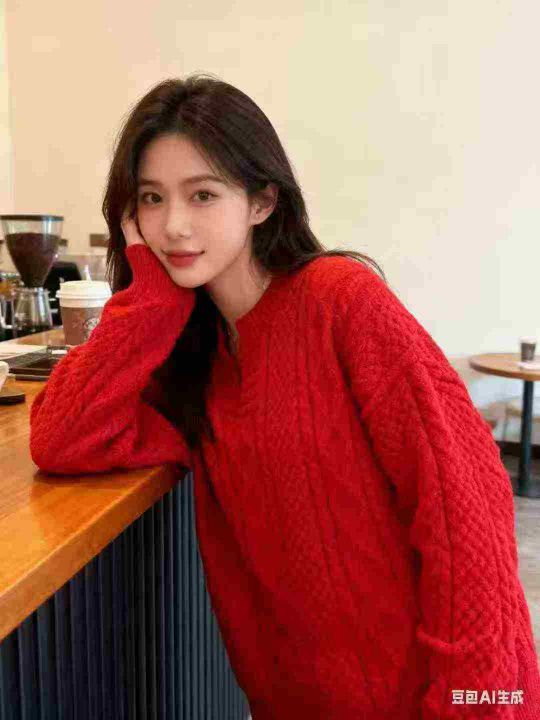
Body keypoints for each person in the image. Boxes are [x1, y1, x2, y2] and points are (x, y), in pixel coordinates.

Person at [30, 73, 540, 719]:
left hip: (429, 700)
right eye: (152, 198)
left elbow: (466, 512)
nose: (174, 225)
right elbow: (63, 439)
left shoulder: (340, 302)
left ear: (263, 202)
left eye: (203, 194)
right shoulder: (192, 354)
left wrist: (475, 704)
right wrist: (152, 297)